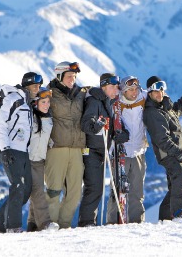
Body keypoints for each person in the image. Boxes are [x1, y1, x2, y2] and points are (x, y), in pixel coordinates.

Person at [142, 75, 182, 220]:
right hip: (168, 154)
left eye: (162, 90)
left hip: (174, 152)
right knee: (180, 181)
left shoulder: (165, 107)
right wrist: (178, 152)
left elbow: (179, 109)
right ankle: (179, 213)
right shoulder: (152, 113)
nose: (160, 94)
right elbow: (162, 140)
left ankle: (165, 217)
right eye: (156, 91)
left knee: (174, 186)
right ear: (149, 92)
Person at [0, 72, 42, 233]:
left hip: (23, 151)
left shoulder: (27, 104)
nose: (37, 89)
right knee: (17, 186)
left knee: (25, 191)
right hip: (11, 150)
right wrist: (3, 149)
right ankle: (13, 227)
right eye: (34, 85)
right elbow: (0, 124)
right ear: (26, 85)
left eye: (39, 86)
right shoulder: (13, 99)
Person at [78, 73, 128, 227]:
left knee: (97, 187)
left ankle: (89, 221)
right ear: (104, 86)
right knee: (94, 187)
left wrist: (123, 134)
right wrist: (97, 125)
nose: (116, 90)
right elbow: (86, 124)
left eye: (117, 87)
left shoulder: (110, 103)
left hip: (101, 150)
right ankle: (86, 222)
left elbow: (115, 126)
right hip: (91, 150)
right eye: (113, 87)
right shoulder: (94, 100)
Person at [45, 61, 88, 229]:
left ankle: (63, 225)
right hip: (56, 148)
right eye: (69, 76)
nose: (72, 79)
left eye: (75, 77)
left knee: (75, 192)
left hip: (77, 149)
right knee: (53, 190)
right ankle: (50, 226)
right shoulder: (49, 94)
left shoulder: (80, 94)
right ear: (59, 76)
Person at [106, 76, 148, 224]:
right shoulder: (116, 102)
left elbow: (158, 94)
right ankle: (112, 222)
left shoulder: (143, 97)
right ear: (123, 90)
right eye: (130, 89)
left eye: (135, 89)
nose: (134, 92)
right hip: (119, 151)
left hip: (138, 151)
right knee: (117, 191)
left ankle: (137, 222)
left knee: (137, 191)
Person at [27, 87, 60, 231]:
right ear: (35, 103)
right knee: (38, 191)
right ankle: (45, 224)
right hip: (28, 160)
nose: (47, 105)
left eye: (48, 102)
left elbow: (47, 138)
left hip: (40, 161)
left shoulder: (49, 120)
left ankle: (32, 224)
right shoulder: (30, 119)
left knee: (37, 191)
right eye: (43, 102)